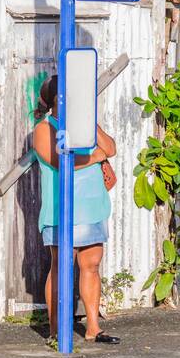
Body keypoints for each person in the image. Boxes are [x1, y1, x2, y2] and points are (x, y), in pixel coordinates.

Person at [32, 76, 119, 344]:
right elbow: (61, 161)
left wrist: (89, 122)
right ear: (56, 99)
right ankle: (57, 329)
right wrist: (94, 156)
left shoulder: (84, 124)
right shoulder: (44, 129)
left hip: (92, 205)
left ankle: (93, 327)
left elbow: (111, 148)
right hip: (63, 208)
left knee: (91, 265)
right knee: (61, 266)